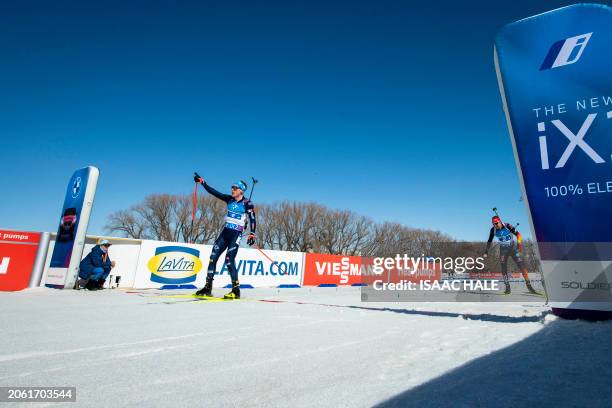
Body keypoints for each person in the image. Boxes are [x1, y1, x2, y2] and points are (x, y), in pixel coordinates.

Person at [194, 176, 256, 299]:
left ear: (241, 191)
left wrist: (252, 233)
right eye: (232, 187)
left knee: (229, 260)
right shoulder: (229, 199)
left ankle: (236, 290)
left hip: (235, 235)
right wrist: (202, 182)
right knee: (213, 257)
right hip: (224, 233)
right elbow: (213, 192)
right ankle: (208, 287)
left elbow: (252, 218)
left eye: (235, 188)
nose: (232, 189)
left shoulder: (247, 203)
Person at [484, 216, 537, 295]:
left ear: (499, 221)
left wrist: (519, 244)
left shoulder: (507, 226)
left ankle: (529, 286)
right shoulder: (493, 230)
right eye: (493, 224)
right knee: (503, 268)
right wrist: (486, 251)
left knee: (521, 266)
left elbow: (518, 234)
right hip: (503, 250)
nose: (495, 225)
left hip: (512, 249)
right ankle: (507, 287)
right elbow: (489, 241)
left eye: (496, 223)